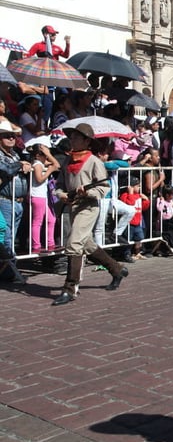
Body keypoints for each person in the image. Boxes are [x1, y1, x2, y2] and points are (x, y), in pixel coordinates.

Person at [52, 123, 129, 306]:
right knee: (85, 244)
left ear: (87, 141)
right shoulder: (67, 160)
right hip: (73, 206)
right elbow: (60, 184)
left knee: (74, 243)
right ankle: (116, 269)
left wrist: (87, 193)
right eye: (71, 137)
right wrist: (61, 194)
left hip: (88, 207)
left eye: (77, 137)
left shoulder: (94, 161)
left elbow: (103, 187)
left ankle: (70, 289)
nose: (72, 140)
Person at [0, 120, 31, 260]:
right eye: (7, 136)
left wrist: (23, 164)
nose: (12, 138)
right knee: (6, 236)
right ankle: (7, 269)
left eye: (13, 136)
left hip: (18, 201)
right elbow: (6, 169)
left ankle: (9, 269)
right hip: (5, 200)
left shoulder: (15, 154)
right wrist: (20, 164)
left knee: (12, 237)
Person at [28, 143, 61, 254]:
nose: (47, 157)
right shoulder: (37, 164)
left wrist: (48, 154)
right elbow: (39, 179)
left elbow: (57, 164)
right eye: (44, 155)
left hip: (44, 196)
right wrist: (49, 171)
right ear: (37, 155)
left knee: (52, 219)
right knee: (37, 222)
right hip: (37, 196)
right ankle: (36, 246)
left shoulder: (41, 162)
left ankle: (50, 243)